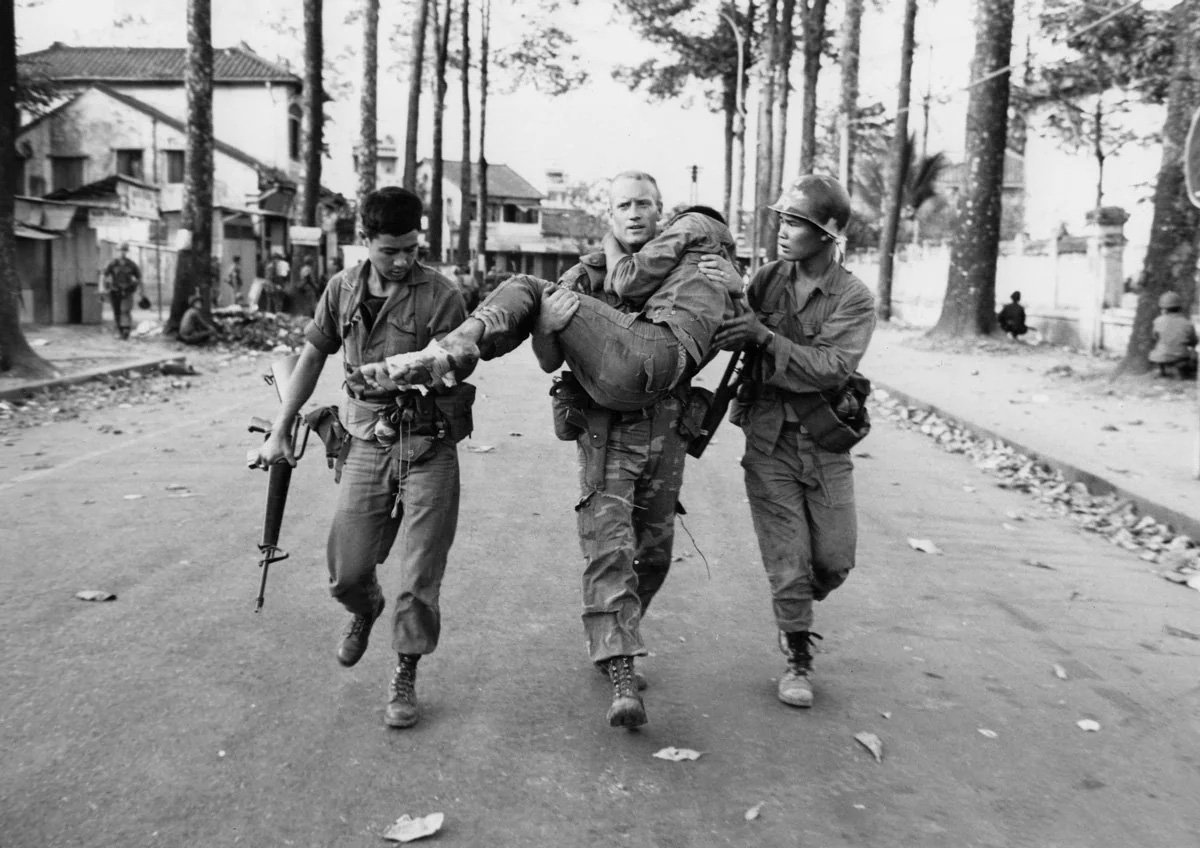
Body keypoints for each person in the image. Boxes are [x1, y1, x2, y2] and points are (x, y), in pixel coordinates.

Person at [364, 172, 740, 730]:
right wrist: (544, 327)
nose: (635, 214)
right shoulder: (585, 275)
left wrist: (737, 286)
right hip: (606, 432)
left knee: (653, 555)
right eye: (623, 205)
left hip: (666, 430)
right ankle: (619, 669)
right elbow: (545, 357)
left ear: (663, 214)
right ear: (608, 217)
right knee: (609, 546)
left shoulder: (693, 264)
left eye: (645, 205)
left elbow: (738, 323)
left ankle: (621, 632)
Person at [251, 187, 475, 730]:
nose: (401, 262)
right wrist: (282, 427)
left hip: (428, 443)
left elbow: (461, 359)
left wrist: (419, 367)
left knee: (420, 573)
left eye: (411, 249)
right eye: (388, 250)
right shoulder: (341, 289)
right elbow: (311, 356)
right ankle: (364, 608)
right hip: (368, 441)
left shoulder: (441, 294)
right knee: (346, 572)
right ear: (366, 240)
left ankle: (405, 670)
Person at [707, 174, 876, 710]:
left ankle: (798, 601)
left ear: (829, 234)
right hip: (768, 438)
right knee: (788, 562)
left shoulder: (854, 298)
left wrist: (764, 337)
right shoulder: (765, 281)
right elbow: (731, 329)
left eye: (796, 223)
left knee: (833, 562)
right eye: (781, 219)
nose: (783, 230)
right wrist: (721, 296)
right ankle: (797, 655)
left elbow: (830, 369)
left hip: (824, 442)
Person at [1149, 291, 1198, 378]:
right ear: (1179, 308)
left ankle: (1163, 370)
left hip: (1159, 355)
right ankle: (1181, 371)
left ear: (1163, 308)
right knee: (1192, 354)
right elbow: (1193, 341)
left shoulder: (1158, 321)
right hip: (1179, 355)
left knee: (1161, 349)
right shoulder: (1187, 323)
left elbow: (1154, 337)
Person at [101, 242, 143, 340]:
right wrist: (102, 288)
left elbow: (139, 277)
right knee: (116, 312)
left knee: (126, 310)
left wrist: (139, 288)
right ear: (117, 251)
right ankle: (120, 331)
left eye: (124, 250)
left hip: (127, 291)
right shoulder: (112, 263)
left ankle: (126, 330)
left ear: (126, 252)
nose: (122, 253)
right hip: (115, 290)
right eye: (120, 250)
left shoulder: (131, 264)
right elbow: (104, 275)